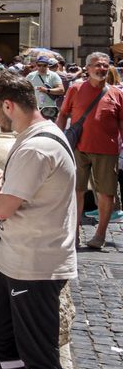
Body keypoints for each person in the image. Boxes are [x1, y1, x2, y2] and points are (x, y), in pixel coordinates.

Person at [0, 72, 77, 369]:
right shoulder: (40, 135)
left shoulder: (36, 147)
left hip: (33, 266)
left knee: (40, 358)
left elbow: (1, 207)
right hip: (14, 261)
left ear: (8, 105)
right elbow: (25, 186)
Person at [56, 52, 123, 249]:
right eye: (97, 65)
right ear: (87, 68)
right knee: (76, 191)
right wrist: (57, 139)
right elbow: (63, 114)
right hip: (78, 148)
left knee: (106, 194)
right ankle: (74, 233)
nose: (102, 69)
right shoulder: (75, 89)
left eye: (105, 65)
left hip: (107, 151)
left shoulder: (117, 93)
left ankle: (99, 235)